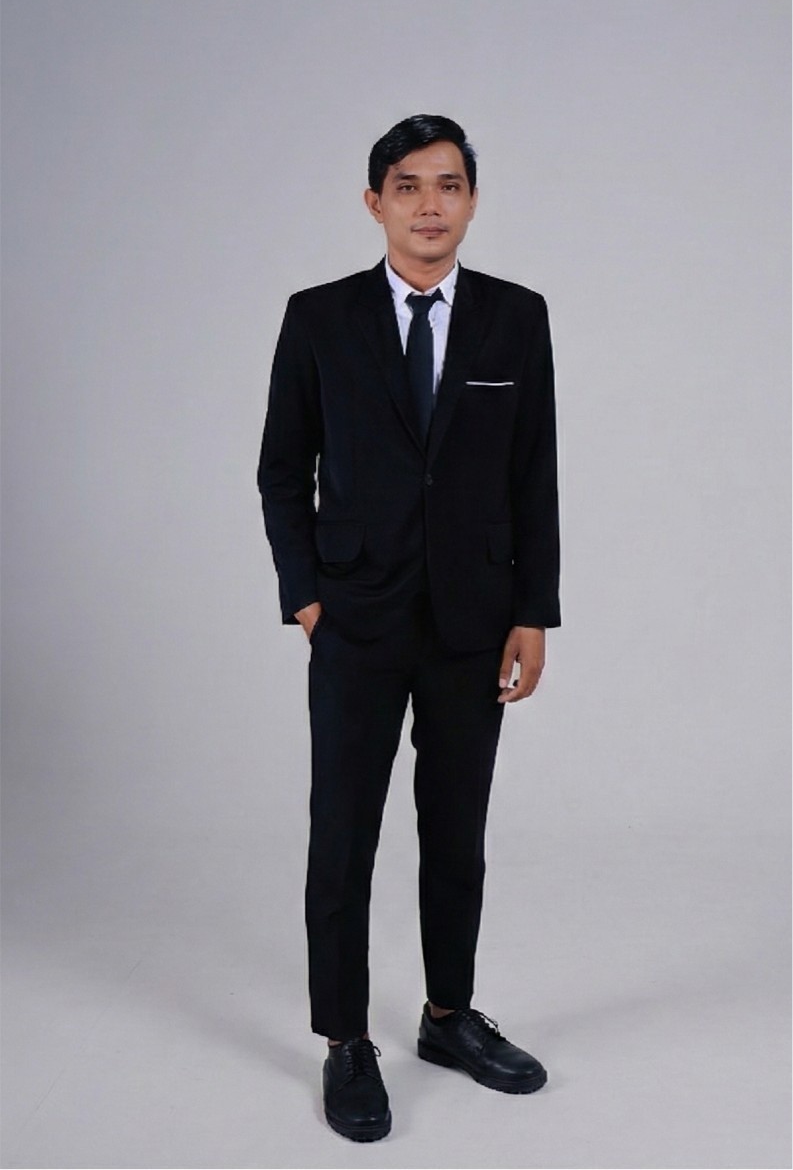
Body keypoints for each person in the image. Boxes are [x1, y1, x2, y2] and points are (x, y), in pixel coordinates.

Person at [257, 114, 560, 1142]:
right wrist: (306, 594)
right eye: (408, 186)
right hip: (356, 616)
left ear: (471, 200)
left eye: (448, 185)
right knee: (342, 835)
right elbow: (281, 468)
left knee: (457, 834)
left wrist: (533, 611)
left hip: (475, 619)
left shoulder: (516, 318)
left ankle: (447, 1016)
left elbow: (534, 473)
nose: (430, 205)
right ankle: (345, 1039)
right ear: (374, 202)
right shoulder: (319, 318)